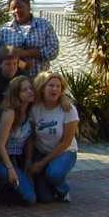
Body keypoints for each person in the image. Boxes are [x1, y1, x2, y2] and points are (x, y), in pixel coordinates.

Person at [28, 71, 78, 203]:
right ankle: (50, 185)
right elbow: (31, 137)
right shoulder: (35, 108)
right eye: (51, 86)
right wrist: (29, 161)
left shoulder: (68, 109)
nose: (55, 89)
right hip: (42, 152)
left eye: (58, 86)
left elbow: (66, 143)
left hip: (64, 152)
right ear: (42, 88)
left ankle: (63, 190)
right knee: (44, 198)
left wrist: (41, 164)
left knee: (54, 174)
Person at [0, 75, 36, 205]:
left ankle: (6, 187)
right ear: (16, 94)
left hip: (14, 157)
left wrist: (28, 161)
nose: (29, 92)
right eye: (24, 90)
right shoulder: (10, 112)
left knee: (32, 195)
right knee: (29, 198)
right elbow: (0, 145)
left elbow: (29, 139)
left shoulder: (31, 111)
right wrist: (10, 169)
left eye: (30, 88)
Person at [0, 0, 59, 78]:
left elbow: (53, 50)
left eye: (20, 7)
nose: (17, 10)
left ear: (29, 7)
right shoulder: (4, 29)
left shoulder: (44, 25)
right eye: (13, 8)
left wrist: (26, 53)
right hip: (13, 81)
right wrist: (19, 62)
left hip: (40, 79)